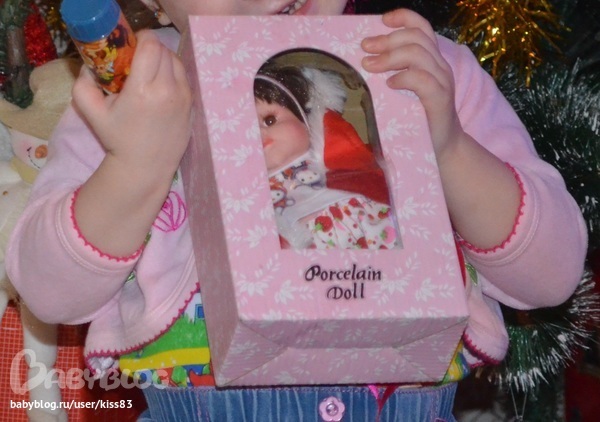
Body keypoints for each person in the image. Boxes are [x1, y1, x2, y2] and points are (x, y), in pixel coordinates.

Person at [5, 0, 587, 420]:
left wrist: (450, 147)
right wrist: (134, 166)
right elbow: (49, 292)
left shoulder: (422, 65)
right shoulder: (130, 92)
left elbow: (552, 274)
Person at [254, 64, 399, 250]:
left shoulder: (332, 157)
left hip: (357, 223)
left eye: (270, 120)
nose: (260, 133)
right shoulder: (251, 199)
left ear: (305, 121)